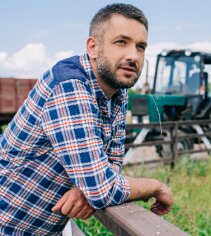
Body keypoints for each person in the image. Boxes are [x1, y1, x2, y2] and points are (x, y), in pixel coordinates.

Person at [0, 3, 173, 235]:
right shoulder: (70, 86)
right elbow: (102, 188)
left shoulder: (117, 93)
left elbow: (111, 166)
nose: (133, 56)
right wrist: (155, 186)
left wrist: (85, 187)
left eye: (140, 47)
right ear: (93, 47)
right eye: (121, 42)